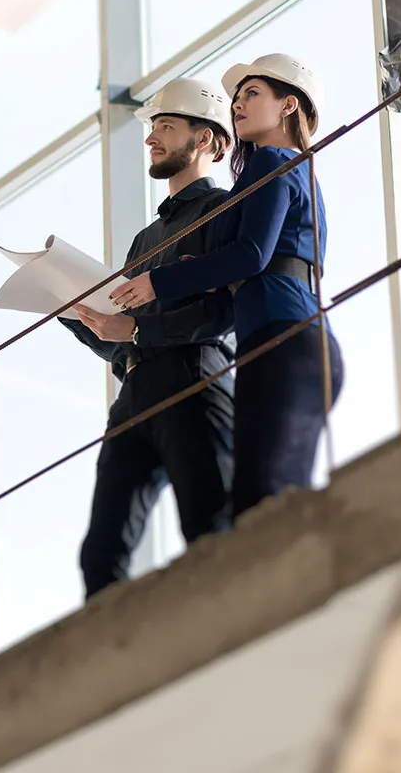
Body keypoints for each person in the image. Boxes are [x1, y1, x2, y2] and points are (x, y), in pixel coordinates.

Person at [109, 53, 345, 518]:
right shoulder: (271, 173)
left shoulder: (276, 160)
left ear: (288, 106)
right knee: (256, 500)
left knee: (264, 499)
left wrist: (158, 281)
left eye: (252, 93)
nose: (237, 103)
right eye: (236, 97)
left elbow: (251, 255)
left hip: (286, 338)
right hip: (276, 340)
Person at [61, 77, 237, 598]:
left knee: (209, 527)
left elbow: (225, 309)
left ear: (204, 139)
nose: (150, 137)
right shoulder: (146, 238)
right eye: (153, 126)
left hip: (192, 380)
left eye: (165, 126)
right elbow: (124, 338)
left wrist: (137, 327)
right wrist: (77, 315)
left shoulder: (221, 211)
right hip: (134, 393)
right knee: (100, 554)